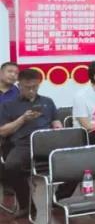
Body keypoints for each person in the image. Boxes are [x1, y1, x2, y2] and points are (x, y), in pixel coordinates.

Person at [0, 69, 62, 214]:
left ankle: (59, 198)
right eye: (28, 87)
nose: (32, 90)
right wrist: (22, 119)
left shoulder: (47, 101)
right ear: (19, 85)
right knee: (12, 166)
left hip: (48, 141)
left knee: (79, 162)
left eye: (35, 87)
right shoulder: (8, 105)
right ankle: (26, 205)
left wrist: (58, 127)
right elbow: (3, 131)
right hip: (23, 144)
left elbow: (55, 120)